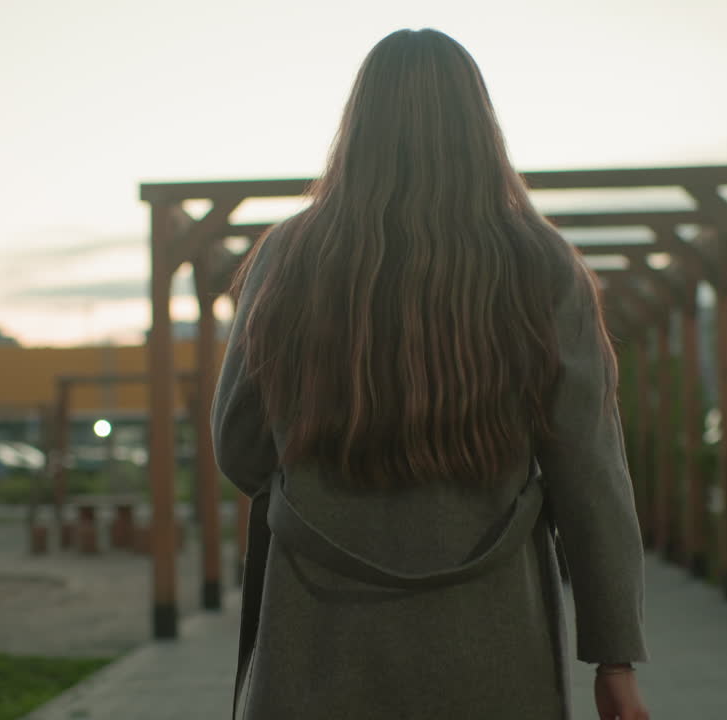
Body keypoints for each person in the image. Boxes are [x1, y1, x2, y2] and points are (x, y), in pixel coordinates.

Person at [212, 28, 650, 720]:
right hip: (494, 649)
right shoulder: (541, 265)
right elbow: (591, 477)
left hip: (316, 647)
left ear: (360, 125)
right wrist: (614, 658)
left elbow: (239, 450)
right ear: (479, 125)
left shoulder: (289, 255)